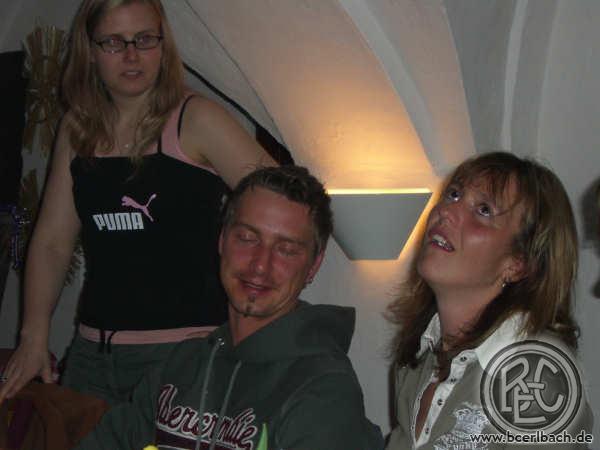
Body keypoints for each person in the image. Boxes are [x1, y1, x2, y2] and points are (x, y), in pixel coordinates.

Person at [0, 0, 275, 405]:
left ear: (164, 46)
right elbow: (53, 243)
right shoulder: (77, 128)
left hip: (183, 357)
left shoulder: (197, 119)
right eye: (114, 42)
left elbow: (287, 205)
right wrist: (33, 337)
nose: (131, 55)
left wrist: (257, 307)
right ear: (90, 51)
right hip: (93, 357)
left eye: (144, 39)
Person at [74, 165, 384, 450]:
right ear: (222, 240)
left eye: (286, 250)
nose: (260, 265)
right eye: (247, 238)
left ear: (313, 265)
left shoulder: (322, 391)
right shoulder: (182, 365)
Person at [386, 152, 593, 449]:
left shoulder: (535, 377)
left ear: (518, 264)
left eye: (483, 210)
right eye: (453, 194)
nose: (447, 211)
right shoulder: (417, 359)